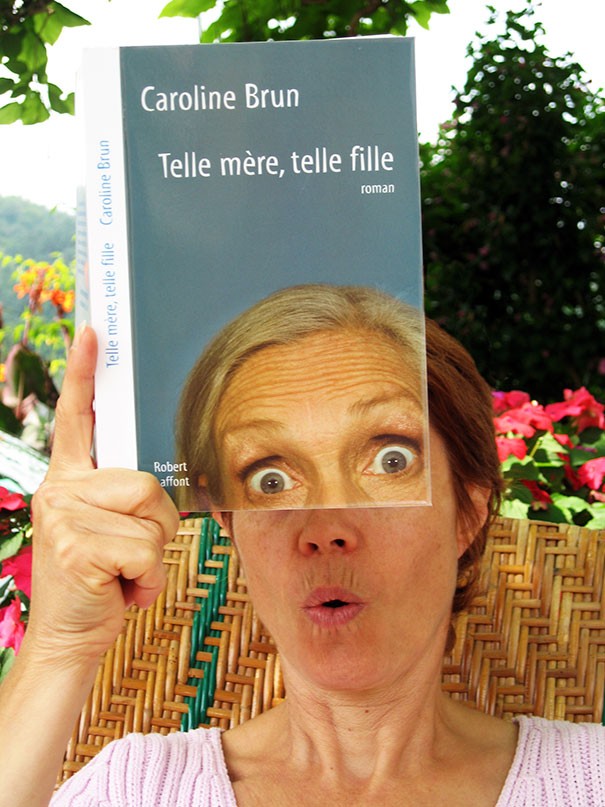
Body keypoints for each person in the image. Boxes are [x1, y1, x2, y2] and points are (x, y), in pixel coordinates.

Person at [0, 287, 603, 807]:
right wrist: (60, 646)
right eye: (270, 478)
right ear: (230, 526)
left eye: (391, 460)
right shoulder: (136, 789)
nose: (325, 527)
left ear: (467, 513)